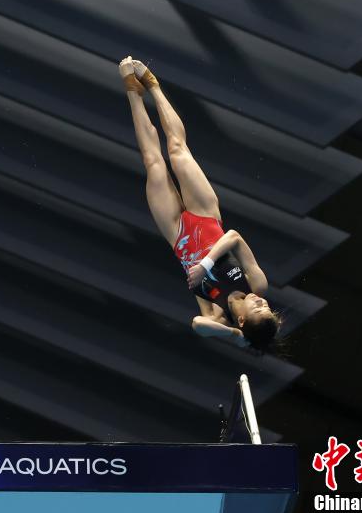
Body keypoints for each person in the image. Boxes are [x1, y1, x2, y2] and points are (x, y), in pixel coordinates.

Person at [119, 56, 280, 351]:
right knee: (178, 150)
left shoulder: (214, 314)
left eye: (259, 309)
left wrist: (236, 337)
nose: (261, 301)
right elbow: (234, 237)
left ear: (242, 322)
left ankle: (131, 89)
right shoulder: (257, 285)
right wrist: (206, 263)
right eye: (267, 306)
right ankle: (153, 86)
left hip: (177, 232)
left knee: (153, 163)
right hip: (206, 216)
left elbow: (198, 325)